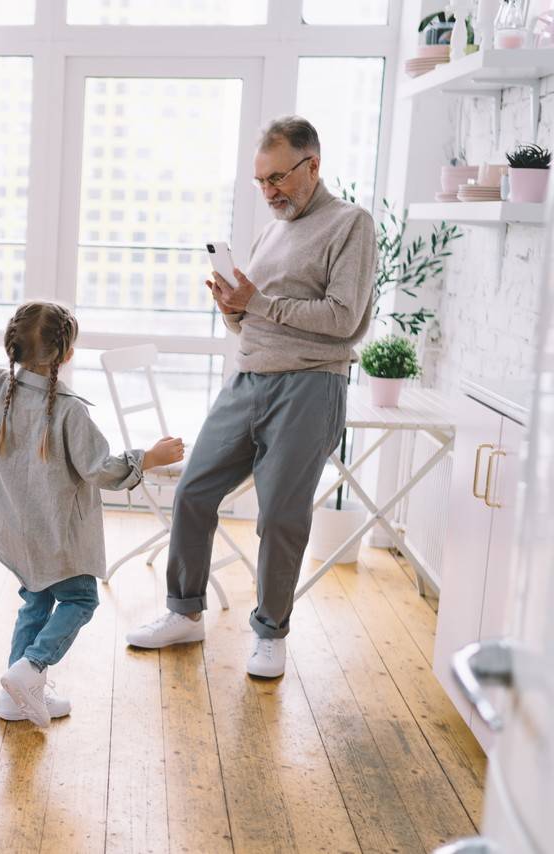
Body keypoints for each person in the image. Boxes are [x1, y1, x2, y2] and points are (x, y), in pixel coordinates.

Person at [125, 115, 376, 679]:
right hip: (248, 379)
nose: (269, 193)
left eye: (279, 179)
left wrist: (256, 303)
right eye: (261, 182)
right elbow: (259, 317)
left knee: (281, 516)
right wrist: (235, 311)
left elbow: (344, 320)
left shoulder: (349, 224)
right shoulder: (272, 230)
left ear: (313, 165)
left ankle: (270, 632)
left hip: (311, 385)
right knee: (193, 490)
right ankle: (185, 612)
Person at [0, 287, 184, 727]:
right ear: (67, 353)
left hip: (16, 529)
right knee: (80, 599)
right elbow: (102, 470)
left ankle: (13, 698)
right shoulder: (70, 412)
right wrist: (150, 457)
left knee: (35, 601)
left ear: (12, 346)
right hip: (57, 535)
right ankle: (31, 667)